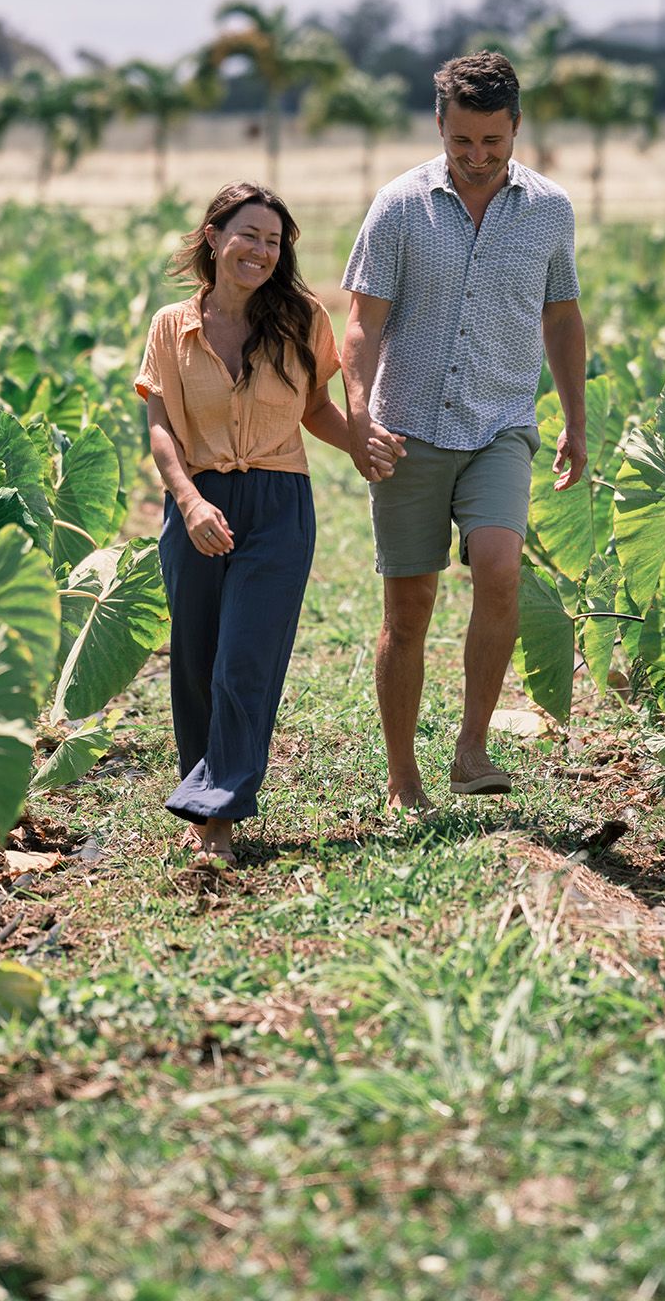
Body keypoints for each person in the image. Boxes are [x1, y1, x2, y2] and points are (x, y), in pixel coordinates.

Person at [338, 52, 588, 817]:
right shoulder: (399, 206)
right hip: (410, 427)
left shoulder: (550, 210)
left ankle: (473, 746)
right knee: (407, 611)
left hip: (501, 424)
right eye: (462, 144)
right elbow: (362, 323)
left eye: (494, 143)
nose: (478, 159)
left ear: (516, 128)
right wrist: (358, 415)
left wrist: (577, 419)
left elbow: (562, 316)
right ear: (440, 127)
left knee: (500, 568)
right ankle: (402, 776)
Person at [136, 182, 398, 864]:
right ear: (215, 236)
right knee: (195, 662)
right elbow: (161, 427)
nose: (261, 250)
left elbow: (314, 407)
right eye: (248, 234)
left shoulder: (302, 318)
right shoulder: (171, 324)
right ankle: (202, 798)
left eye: (274, 242)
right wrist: (189, 502)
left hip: (280, 504)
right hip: (197, 503)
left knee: (244, 662)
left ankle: (217, 817)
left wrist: (361, 446)